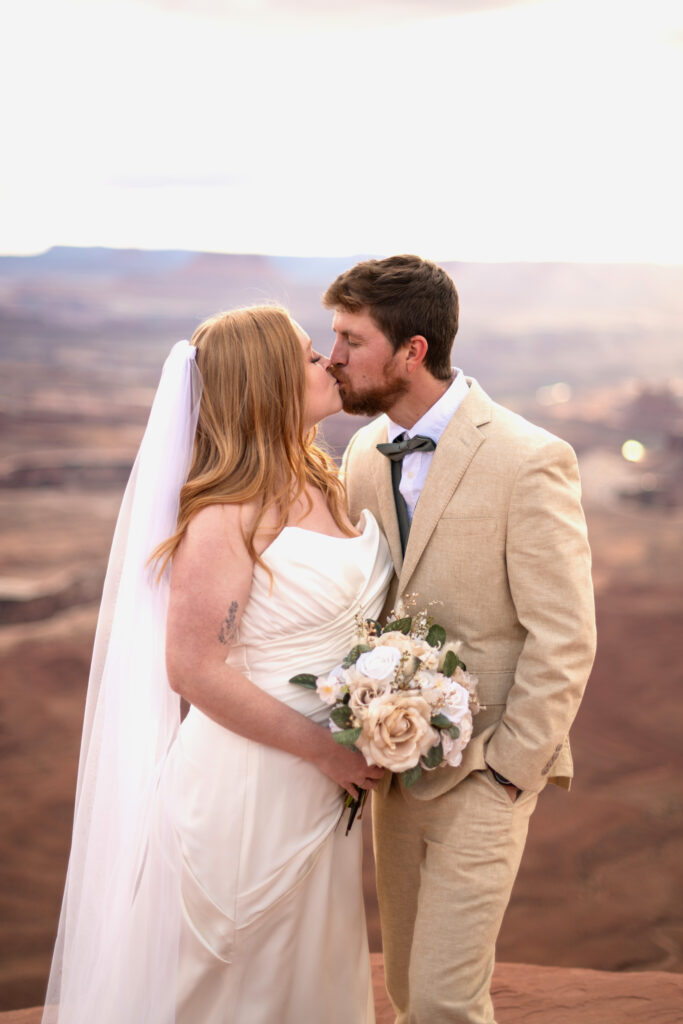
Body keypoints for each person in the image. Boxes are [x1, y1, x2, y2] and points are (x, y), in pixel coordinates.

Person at [43, 306, 392, 1024]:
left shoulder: (327, 481)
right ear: (265, 384)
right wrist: (326, 753)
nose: (326, 362)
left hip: (320, 788)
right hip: (250, 787)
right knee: (226, 981)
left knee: (306, 972)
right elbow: (194, 671)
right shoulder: (224, 516)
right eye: (304, 357)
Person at [323, 255, 597, 1024]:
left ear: (411, 350)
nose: (332, 356)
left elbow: (565, 635)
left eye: (350, 338)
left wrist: (510, 771)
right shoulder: (361, 452)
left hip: (485, 771)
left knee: (445, 1001)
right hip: (395, 773)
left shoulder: (529, 457)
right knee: (409, 992)